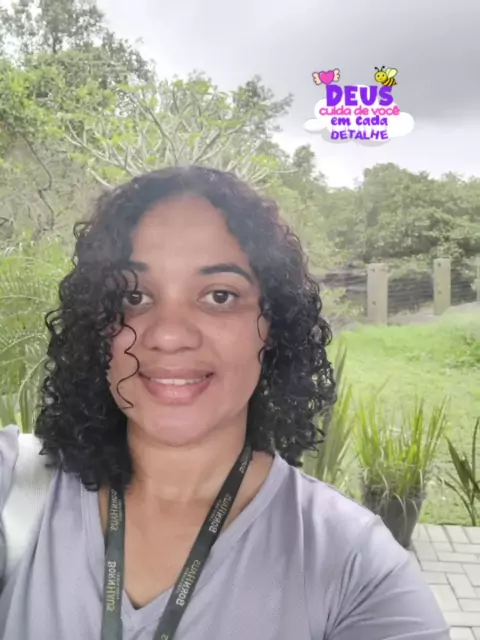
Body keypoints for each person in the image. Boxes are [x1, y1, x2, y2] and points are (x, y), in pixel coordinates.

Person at [0, 165, 449, 640]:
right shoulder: (14, 488)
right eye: (134, 295)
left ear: (273, 327)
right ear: (97, 325)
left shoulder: (356, 568)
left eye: (219, 296)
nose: (169, 335)